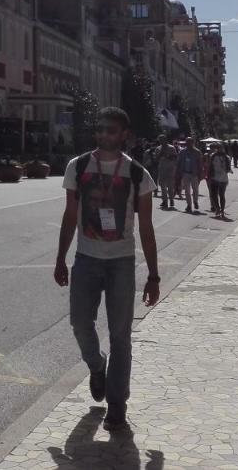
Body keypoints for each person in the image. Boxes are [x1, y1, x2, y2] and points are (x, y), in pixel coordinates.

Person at [54, 107, 159, 433]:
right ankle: (96, 366)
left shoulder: (138, 175)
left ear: (124, 134)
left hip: (121, 264)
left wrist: (154, 275)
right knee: (79, 323)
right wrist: (60, 258)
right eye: (99, 129)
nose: (103, 135)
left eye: (111, 130)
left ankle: (117, 405)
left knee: (120, 336)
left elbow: (146, 227)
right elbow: (71, 215)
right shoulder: (78, 166)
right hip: (86, 258)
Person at [176, 138, 203, 213]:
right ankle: (189, 205)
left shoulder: (197, 152)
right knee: (187, 191)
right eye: (187, 142)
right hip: (185, 173)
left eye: (190, 142)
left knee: (195, 189)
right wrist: (177, 172)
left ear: (193, 142)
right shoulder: (182, 152)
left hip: (194, 174)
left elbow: (200, 164)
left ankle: (195, 201)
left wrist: (201, 174)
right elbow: (178, 162)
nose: (188, 143)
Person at [208, 142, 231, 220]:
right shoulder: (212, 156)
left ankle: (222, 210)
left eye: (221, 148)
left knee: (222, 195)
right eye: (218, 148)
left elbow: (228, 169)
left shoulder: (227, 158)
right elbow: (210, 167)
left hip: (223, 179)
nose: (219, 149)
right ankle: (217, 208)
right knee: (213, 195)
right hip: (214, 178)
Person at [154, 137, 178, 211]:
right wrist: (160, 154)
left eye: (163, 140)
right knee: (162, 186)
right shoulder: (158, 148)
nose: (161, 141)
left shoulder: (171, 148)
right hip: (162, 169)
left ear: (166, 140)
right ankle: (165, 201)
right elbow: (156, 159)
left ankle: (171, 200)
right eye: (160, 140)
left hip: (170, 168)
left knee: (170, 186)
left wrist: (167, 156)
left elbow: (175, 157)